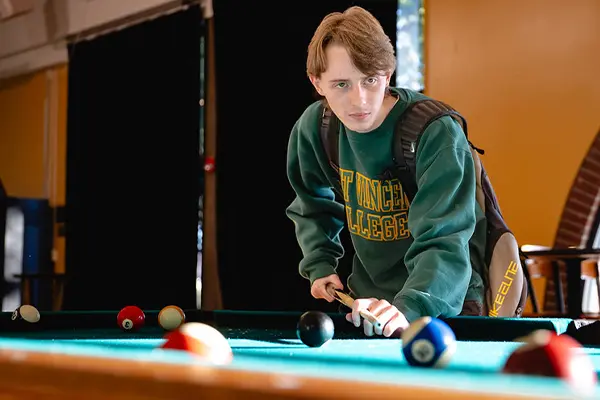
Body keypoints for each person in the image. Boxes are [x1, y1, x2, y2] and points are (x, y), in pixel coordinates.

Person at [285, 6, 487, 338]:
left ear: (388, 74)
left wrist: (412, 307)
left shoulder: (436, 133)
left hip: (442, 310)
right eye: (341, 84)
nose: (359, 99)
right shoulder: (315, 128)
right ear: (316, 82)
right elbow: (312, 205)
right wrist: (320, 265)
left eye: (370, 80)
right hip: (365, 309)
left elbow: (444, 239)